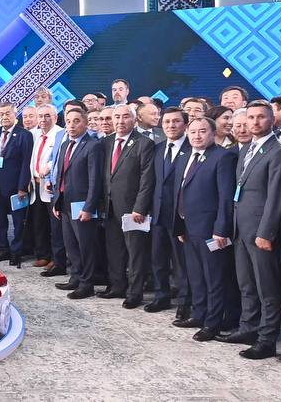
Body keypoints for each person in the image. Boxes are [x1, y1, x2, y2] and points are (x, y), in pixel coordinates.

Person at [225, 100, 281, 359]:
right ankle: (248, 328)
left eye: (261, 117)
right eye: (251, 117)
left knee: (268, 288)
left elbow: (276, 197)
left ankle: (267, 340)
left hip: (261, 231)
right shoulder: (247, 148)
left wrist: (266, 232)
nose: (255, 122)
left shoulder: (279, 152)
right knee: (246, 283)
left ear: (272, 120)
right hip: (240, 228)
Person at [173, 117, 237, 343]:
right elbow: (180, 192)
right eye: (193, 132)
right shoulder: (185, 156)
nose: (197, 136)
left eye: (202, 131)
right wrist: (179, 225)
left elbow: (225, 197)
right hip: (188, 228)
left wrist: (221, 229)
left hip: (211, 230)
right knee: (196, 275)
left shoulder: (223, 157)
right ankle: (198, 314)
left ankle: (213, 323)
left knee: (214, 278)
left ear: (212, 133)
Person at [101, 104, 156, 307]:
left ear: (135, 120)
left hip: (133, 209)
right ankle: (117, 286)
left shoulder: (144, 143)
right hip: (109, 207)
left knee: (136, 253)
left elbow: (147, 179)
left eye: (126, 117)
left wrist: (140, 207)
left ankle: (135, 293)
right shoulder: (106, 142)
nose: (120, 121)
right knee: (114, 249)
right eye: (117, 117)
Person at [51, 107, 102, 299]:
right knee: (70, 244)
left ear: (86, 123)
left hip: (82, 205)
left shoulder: (93, 146)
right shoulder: (66, 144)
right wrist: (56, 202)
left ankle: (87, 284)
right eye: (68, 121)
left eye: (76, 121)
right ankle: (75, 277)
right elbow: (60, 174)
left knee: (85, 246)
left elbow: (95, 180)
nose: (71, 125)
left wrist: (89, 207)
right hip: (64, 203)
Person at [151, 107, 192, 318]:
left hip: (180, 216)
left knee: (181, 262)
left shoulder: (192, 148)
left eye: (176, 121)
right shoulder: (158, 149)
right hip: (158, 213)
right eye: (167, 122)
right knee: (158, 259)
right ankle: (161, 296)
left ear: (185, 124)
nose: (171, 125)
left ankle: (185, 302)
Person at [0, 103, 32, 266]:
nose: (4, 117)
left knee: (18, 222)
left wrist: (22, 187)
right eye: (1, 114)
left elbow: (26, 162)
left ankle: (16, 252)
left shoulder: (24, 134)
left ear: (15, 114)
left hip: (15, 187)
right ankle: (2, 249)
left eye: (8, 113)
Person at [30, 103, 66, 272]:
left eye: (47, 115)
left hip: (51, 186)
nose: (43, 119)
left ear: (55, 117)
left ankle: (57, 259)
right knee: (39, 223)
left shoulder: (61, 134)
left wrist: (49, 168)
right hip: (36, 185)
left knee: (55, 226)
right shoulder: (36, 134)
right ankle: (43, 255)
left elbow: (60, 158)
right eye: (40, 116)